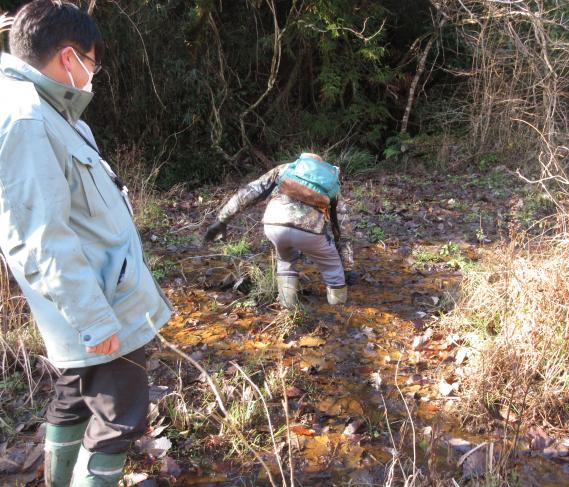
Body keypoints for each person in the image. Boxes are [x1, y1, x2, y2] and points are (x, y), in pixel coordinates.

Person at [0, 2, 172, 486]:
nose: (94, 72)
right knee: (119, 418)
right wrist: (95, 319)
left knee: (74, 394)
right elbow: (38, 236)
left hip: (91, 296)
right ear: (68, 57)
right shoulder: (27, 118)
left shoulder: (56, 114)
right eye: (93, 61)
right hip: (98, 304)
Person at [204, 153, 355, 307]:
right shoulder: (330, 182)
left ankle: (287, 307)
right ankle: (339, 312)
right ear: (322, 166)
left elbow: (250, 192)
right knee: (332, 267)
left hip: (274, 225)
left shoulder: (285, 169)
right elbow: (342, 227)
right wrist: (347, 267)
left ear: (302, 160)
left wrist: (222, 220)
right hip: (310, 232)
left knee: (285, 259)